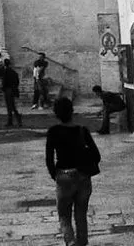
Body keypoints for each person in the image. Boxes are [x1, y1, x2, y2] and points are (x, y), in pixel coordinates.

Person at [45, 97, 100, 246]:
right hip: (83, 176)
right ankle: (82, 243)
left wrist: (55, 175)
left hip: (63, 176)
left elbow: (49, 159)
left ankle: (70, 242)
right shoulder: (82, 131)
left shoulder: (53, 132)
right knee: (81, 214)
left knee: (64, 215)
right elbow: (97, 155)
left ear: (56, 113)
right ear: (72, 111)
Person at [2, 59, 24, 126]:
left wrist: (3, 88)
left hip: (8, 90)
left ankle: (12, 120)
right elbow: (17, 81)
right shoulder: (14, 72)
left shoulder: (6, 71)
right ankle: (14, 119)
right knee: (12, 105)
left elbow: (4, 82)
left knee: (10, 106)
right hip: (13, 89)